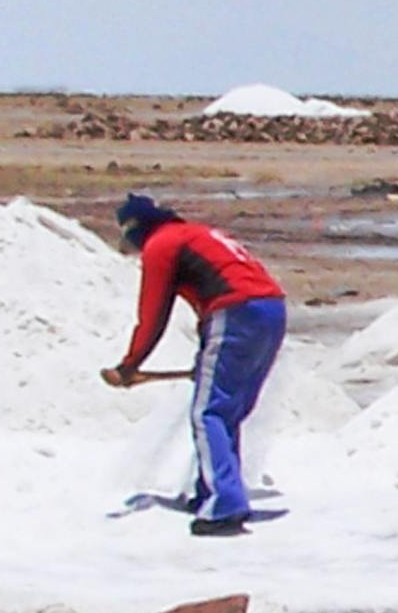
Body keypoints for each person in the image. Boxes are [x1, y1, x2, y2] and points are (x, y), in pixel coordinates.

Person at [105, 193, 289, 537]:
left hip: (236, 311)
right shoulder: (196, 233)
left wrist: (129, 365)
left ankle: (225, 505)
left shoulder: (162, 244)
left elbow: (153, 315)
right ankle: (213, 490)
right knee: (226, 410)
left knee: (209, 413)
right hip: (271, 310)